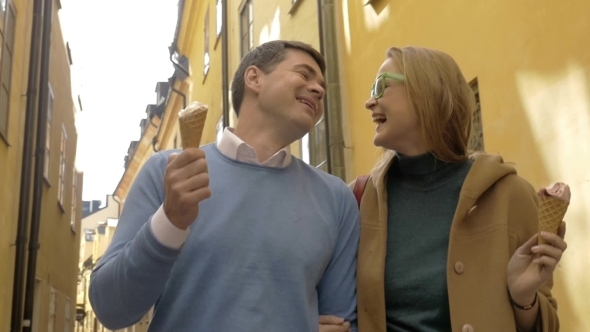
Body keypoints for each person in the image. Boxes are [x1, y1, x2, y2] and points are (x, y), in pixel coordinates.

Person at [89, 40, 359, 332]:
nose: (319, 89)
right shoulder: (166, 172)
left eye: (322, 85)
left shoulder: (337, 199)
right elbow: (111, 310)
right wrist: (169, 221)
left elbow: (343, 324)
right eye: (304, 75)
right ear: (254, 78)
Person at [336, 46, 566, 331]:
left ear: (427, 91)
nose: (369, 101)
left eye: (381, 86)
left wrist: (523, 298)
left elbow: (548, 325)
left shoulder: (511, 195)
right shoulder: (356, 201)